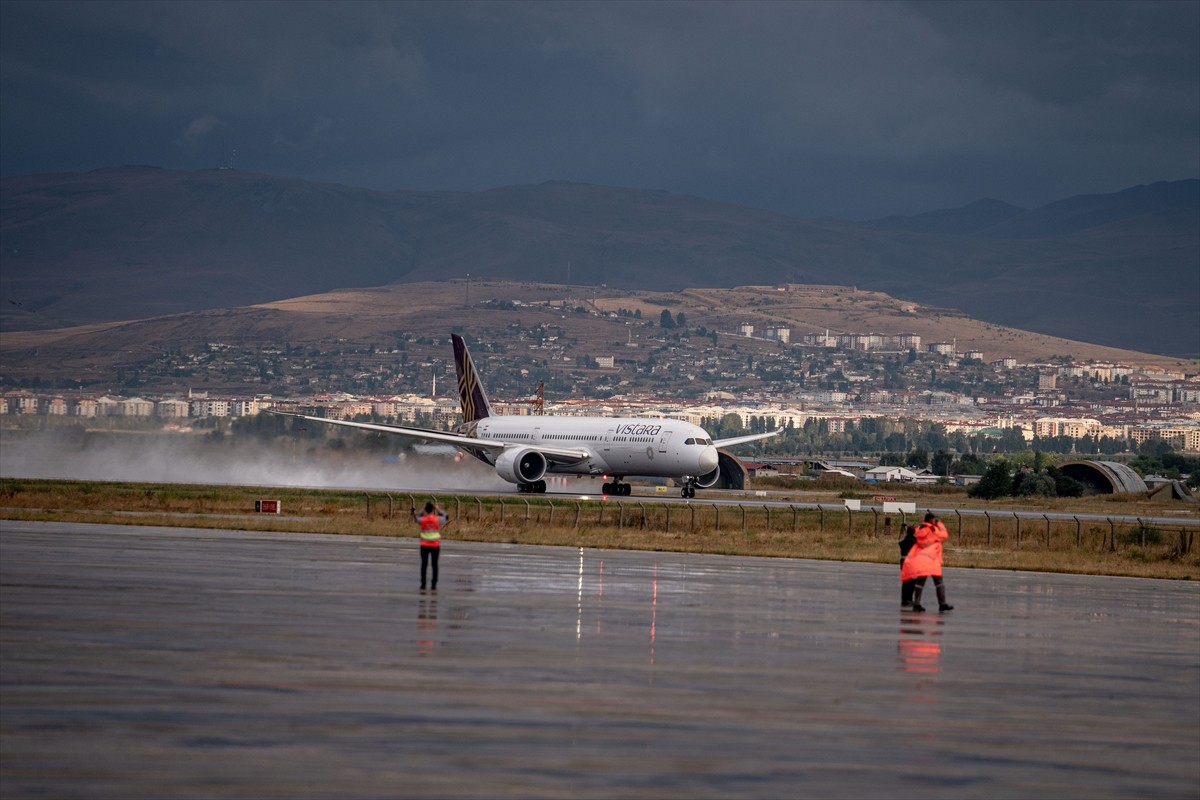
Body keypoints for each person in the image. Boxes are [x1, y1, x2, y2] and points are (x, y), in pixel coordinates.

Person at [900, 512, 953, 613]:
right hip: (932, 561)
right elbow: (944, 535)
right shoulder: (933, 530)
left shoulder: (919, 529)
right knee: (939, 582)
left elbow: (914, 533)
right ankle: (942, 604)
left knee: (920, 583)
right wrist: (939, 524)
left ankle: (916, 604)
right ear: (931, 521)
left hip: (921, 561)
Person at [413, 501, 448, 590]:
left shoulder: (423, 519)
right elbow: (446, 517)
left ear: (426, 510)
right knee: (434, 565)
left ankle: (423, 583)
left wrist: (422, 509)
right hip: (435, 545)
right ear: (433, 510)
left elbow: (416, 518)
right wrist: (438, 509)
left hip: (424, 544)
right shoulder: (437, 519)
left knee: (424, 565)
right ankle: (434, 583)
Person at [898, 525, 918, 609]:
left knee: (905, 582)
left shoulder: (904, 542)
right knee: (912, 582)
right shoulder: (915, 542)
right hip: (912, 563)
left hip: (903, 563)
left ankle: (904, 599)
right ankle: (909, 599)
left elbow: (900, 543)